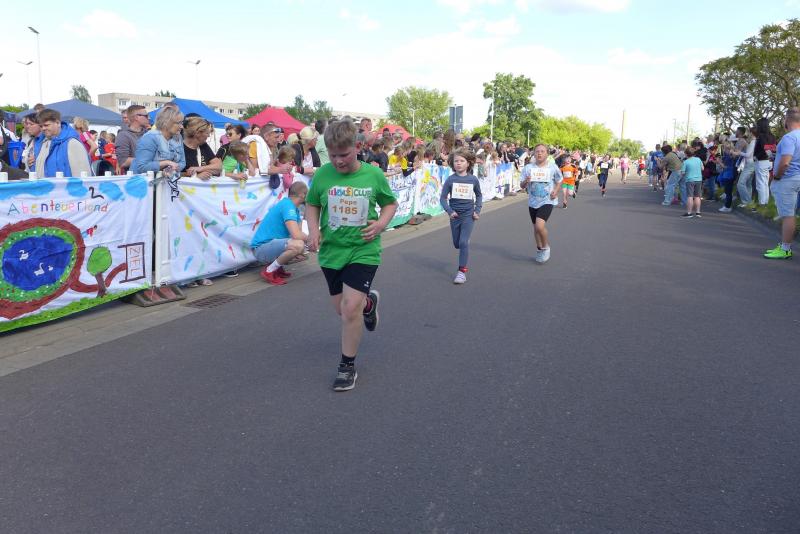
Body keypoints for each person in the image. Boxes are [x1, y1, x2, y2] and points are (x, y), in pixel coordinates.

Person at [306, 119, 398, 392]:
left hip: (363, 249)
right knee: (342, 309)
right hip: (332, 252)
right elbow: (312, 204)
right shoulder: (323, 175)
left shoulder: (373, 175)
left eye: (344, 155)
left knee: (349, 309)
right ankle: (368, 305)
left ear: (357, 148)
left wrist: (380, 225)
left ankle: (347, 365)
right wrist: (313, 231)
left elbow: (390, 204)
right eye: (333, 155)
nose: (338, 161)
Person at [252, 182, 309, 284]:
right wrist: (313, 239)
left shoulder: (293, 207)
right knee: (298, 245)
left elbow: (299, 234)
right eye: (307, 194)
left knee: (300, 243)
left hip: (267, 246)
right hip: (260, 249)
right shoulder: (288, 206)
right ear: (302, 195)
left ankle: (277, 268)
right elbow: (296, 235)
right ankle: (269, 271)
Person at [439, 148, 482, 284]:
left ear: (468, 163)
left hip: (468, 215)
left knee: (463, 242)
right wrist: (450, 211)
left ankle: (461, 272)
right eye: (456, 161)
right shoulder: (450, 180)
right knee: (457, 244)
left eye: (462, 161)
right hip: (455, 216)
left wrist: (477, 210)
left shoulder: (473, 179)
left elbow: (479, 195)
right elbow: (442, 198)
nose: (458, 163)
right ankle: (464, 242)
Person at [763, 108, 800, 259]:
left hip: (788, 179)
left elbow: (785, 163)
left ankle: (785, 249)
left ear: (787, 120)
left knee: (788, 215)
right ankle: (785, 247)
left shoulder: (789, 138)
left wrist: (777, 177)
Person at [520, 143, 562, 263]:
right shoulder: (528, 168)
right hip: (533, 201)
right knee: (536, 228)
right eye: (537, 151)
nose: (539, 153)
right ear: (534, 153)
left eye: (542, 151)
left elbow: (559, 180)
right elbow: (521, 185)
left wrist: (556, 191)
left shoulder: (552, 167)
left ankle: (545, 247)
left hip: (547, 200)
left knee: (539, 226)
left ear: (547, 154)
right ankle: (539, 249)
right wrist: (526, 181)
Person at [34, 108, 91, 178]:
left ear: (58, 123)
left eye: (46, 125)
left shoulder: (72, 143)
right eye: (41, 126)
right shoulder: (42, 142)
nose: (43, 128)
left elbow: (83, 176)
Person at [131, 106, 185, 177]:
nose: (182, 126)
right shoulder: (150, 137)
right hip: (143, 182)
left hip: (165, 181)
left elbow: (182, 162)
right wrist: (166, 163)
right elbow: (141, 167)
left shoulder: (178, 137)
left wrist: (170, 169)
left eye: (182, 123)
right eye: (179, 123)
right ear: (167, 122)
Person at [116, 105, 150, 172]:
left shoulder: (148, 133)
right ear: (137, 117)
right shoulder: (123, 135)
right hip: (136, 176)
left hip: (151, 174)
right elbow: (123, 162)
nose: (148, 118)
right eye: (146, 116)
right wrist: (149, 160)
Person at [753, 118, 778, 208]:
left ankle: (762, 203)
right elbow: (773, 149)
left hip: (761, 161)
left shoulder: (761, 136)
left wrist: (756, 156)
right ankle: (765, 202)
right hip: (769, 161)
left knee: (760, 183)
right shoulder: (772, 136)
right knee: (765, 183)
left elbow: (765, 148)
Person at [735, 127, 757, 208]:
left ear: (752, 133)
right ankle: (748, 203)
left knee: (740, 183)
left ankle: (747, 201)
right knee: (748, 184)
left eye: (749, 132)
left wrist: (739, 152)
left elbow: (748, 155)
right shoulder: (753, 142)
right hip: (751, 164)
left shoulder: (753, 142)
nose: (748, 134)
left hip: (750, 164)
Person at [680, 147, 704, 218]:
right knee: (697, 196)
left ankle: (689, 213)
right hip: (698, 179)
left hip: (689, 180)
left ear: (686, 154)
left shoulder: (685, 162)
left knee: (690, 196)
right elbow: (702, 168)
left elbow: (683, 173)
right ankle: (698, 212)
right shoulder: (698, 159)